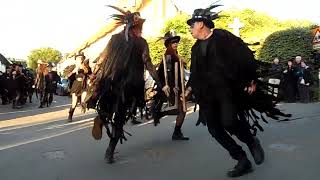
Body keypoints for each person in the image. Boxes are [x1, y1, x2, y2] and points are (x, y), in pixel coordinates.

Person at [184, 3, 290, 177]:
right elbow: (195, 73)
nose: (190, 28)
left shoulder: (223, 38)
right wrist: (188, 89)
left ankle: (251, 140)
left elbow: (245, 58)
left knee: (229, 122)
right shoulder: (195, 48)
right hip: (207, 96)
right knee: (214, 129)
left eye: (192, 25)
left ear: (201, 24)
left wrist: (251, 80)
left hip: (227, 92)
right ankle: (241, 159)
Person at [86, 5, 170, 164]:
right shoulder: (141, 43)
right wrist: (161, 84)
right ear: (133, 26)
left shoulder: (114, 39)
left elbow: (102, 58)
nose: (142, 29)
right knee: (119, 119)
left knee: (106, 108)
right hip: (129, 87)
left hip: (111, 83)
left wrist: (95, 74)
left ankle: (101, 120)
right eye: (140, 26)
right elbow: (148, 64)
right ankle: (109, 150)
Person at [151, 30, 189, 140]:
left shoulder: (175, 55)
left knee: (182, 110)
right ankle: (161, 116)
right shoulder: (168, 56)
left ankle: (161, 116)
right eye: (173, 42)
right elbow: (167, 73)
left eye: (176, 42)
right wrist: (173, 87)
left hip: (178, 85)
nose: (176, 44)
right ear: (168, 44)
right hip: (171, 87)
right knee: (182, 110)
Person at [68, 53, 92, 122]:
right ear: (76, 60)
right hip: (76, 86)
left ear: (83, 59)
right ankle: (70, 115)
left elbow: (90, 75)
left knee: (83, 101)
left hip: (83, 85)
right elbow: (68, 76)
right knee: (74, 103)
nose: (80, 59)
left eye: (81, 58)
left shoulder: (86, 67)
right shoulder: (73, 67)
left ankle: (83, 106)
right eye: (78, 58)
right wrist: (73, 71)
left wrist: (89, 78)